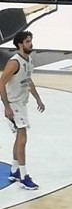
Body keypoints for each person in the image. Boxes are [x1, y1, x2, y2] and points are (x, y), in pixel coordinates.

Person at [0, 31, 44, 190]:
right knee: (23, 138)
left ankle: (14, 170)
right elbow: (1, 83)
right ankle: (24, 176)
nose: (30, 44)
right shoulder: (14, 62)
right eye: (27, 41)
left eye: (30, 41)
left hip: (21, 104)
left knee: (19, 139)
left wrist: (37, 98)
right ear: (20, 44)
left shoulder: (29, 60)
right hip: (13, 105)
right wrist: (6, 106)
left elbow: (28, 80)